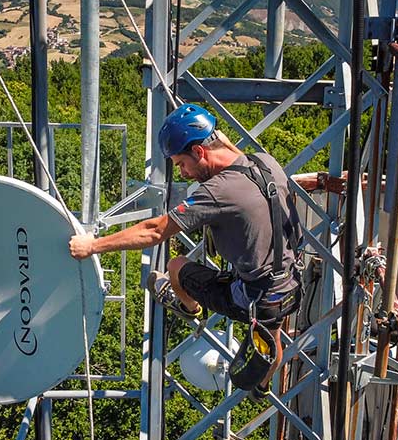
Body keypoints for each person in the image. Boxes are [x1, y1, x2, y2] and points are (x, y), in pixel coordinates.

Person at [69, 104, 302, 382]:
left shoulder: (218, 191)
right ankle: (262, 387)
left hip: (252, 297)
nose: (182, 173)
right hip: (288, 289)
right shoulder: (266, 163)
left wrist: (92, 246)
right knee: (270, 336)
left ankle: (190, 307)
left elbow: (154, 231)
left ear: (199, 152)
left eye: (182, 164)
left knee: (176, 266)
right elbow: (232, 152)